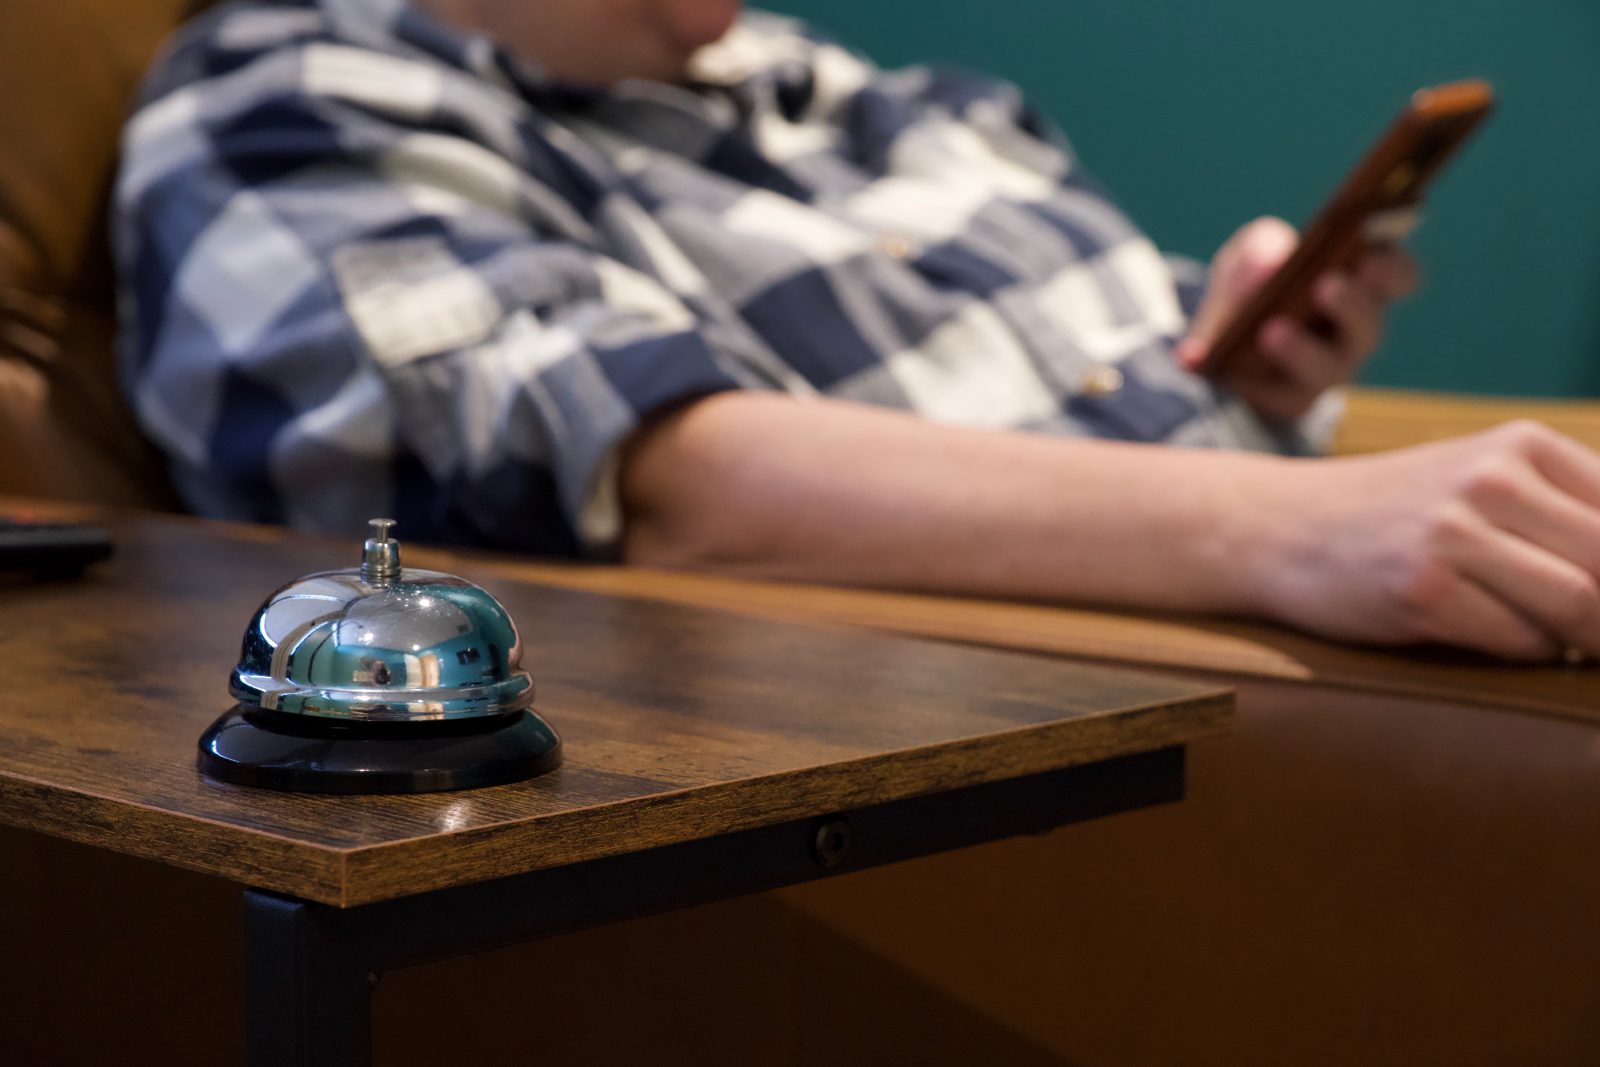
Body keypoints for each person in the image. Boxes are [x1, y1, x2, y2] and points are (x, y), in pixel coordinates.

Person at [115, 0, 1600, 661]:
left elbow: (1119, 394)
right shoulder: (286, 103)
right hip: (1047, 699)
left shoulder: (862, 91)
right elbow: (659, 479)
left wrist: (1246, 379)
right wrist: (1289, 526)